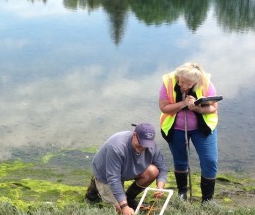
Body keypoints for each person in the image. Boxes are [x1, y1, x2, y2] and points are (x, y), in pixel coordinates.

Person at [158, 62, 219, 203]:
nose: (183, 86)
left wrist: (199, 109)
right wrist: (183, 103)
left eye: (188, 84)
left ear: (196, 81)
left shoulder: (205, 82)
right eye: (181, 82)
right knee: (180, 161)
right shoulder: (168, 82)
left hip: (203, 128)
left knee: (210, 160)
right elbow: (164, 107)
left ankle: (207, 200)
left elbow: (214, 107)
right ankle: (182, 193)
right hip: (177, 127)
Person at [85, 122, 168, 215]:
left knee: (153, 171)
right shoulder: (116, 147)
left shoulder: (151, 145)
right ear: (134, 135)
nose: (144, 147)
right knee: (121, 211)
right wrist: (124, 207)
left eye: (147, 144)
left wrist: (160, 187)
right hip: (107, 175)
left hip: (127, 168)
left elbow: (162, 168)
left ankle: (129, 198)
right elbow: (114, 179)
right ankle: (95, 186)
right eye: (141, 143)